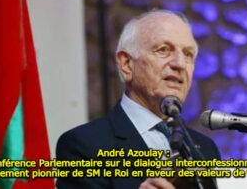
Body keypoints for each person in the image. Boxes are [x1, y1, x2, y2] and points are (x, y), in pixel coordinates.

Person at [56, 10, 220, 189]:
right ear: (126, 64)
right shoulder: (84, 145)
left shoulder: (205, 149)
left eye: (188, 55)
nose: (180, 64)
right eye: (163, 50)